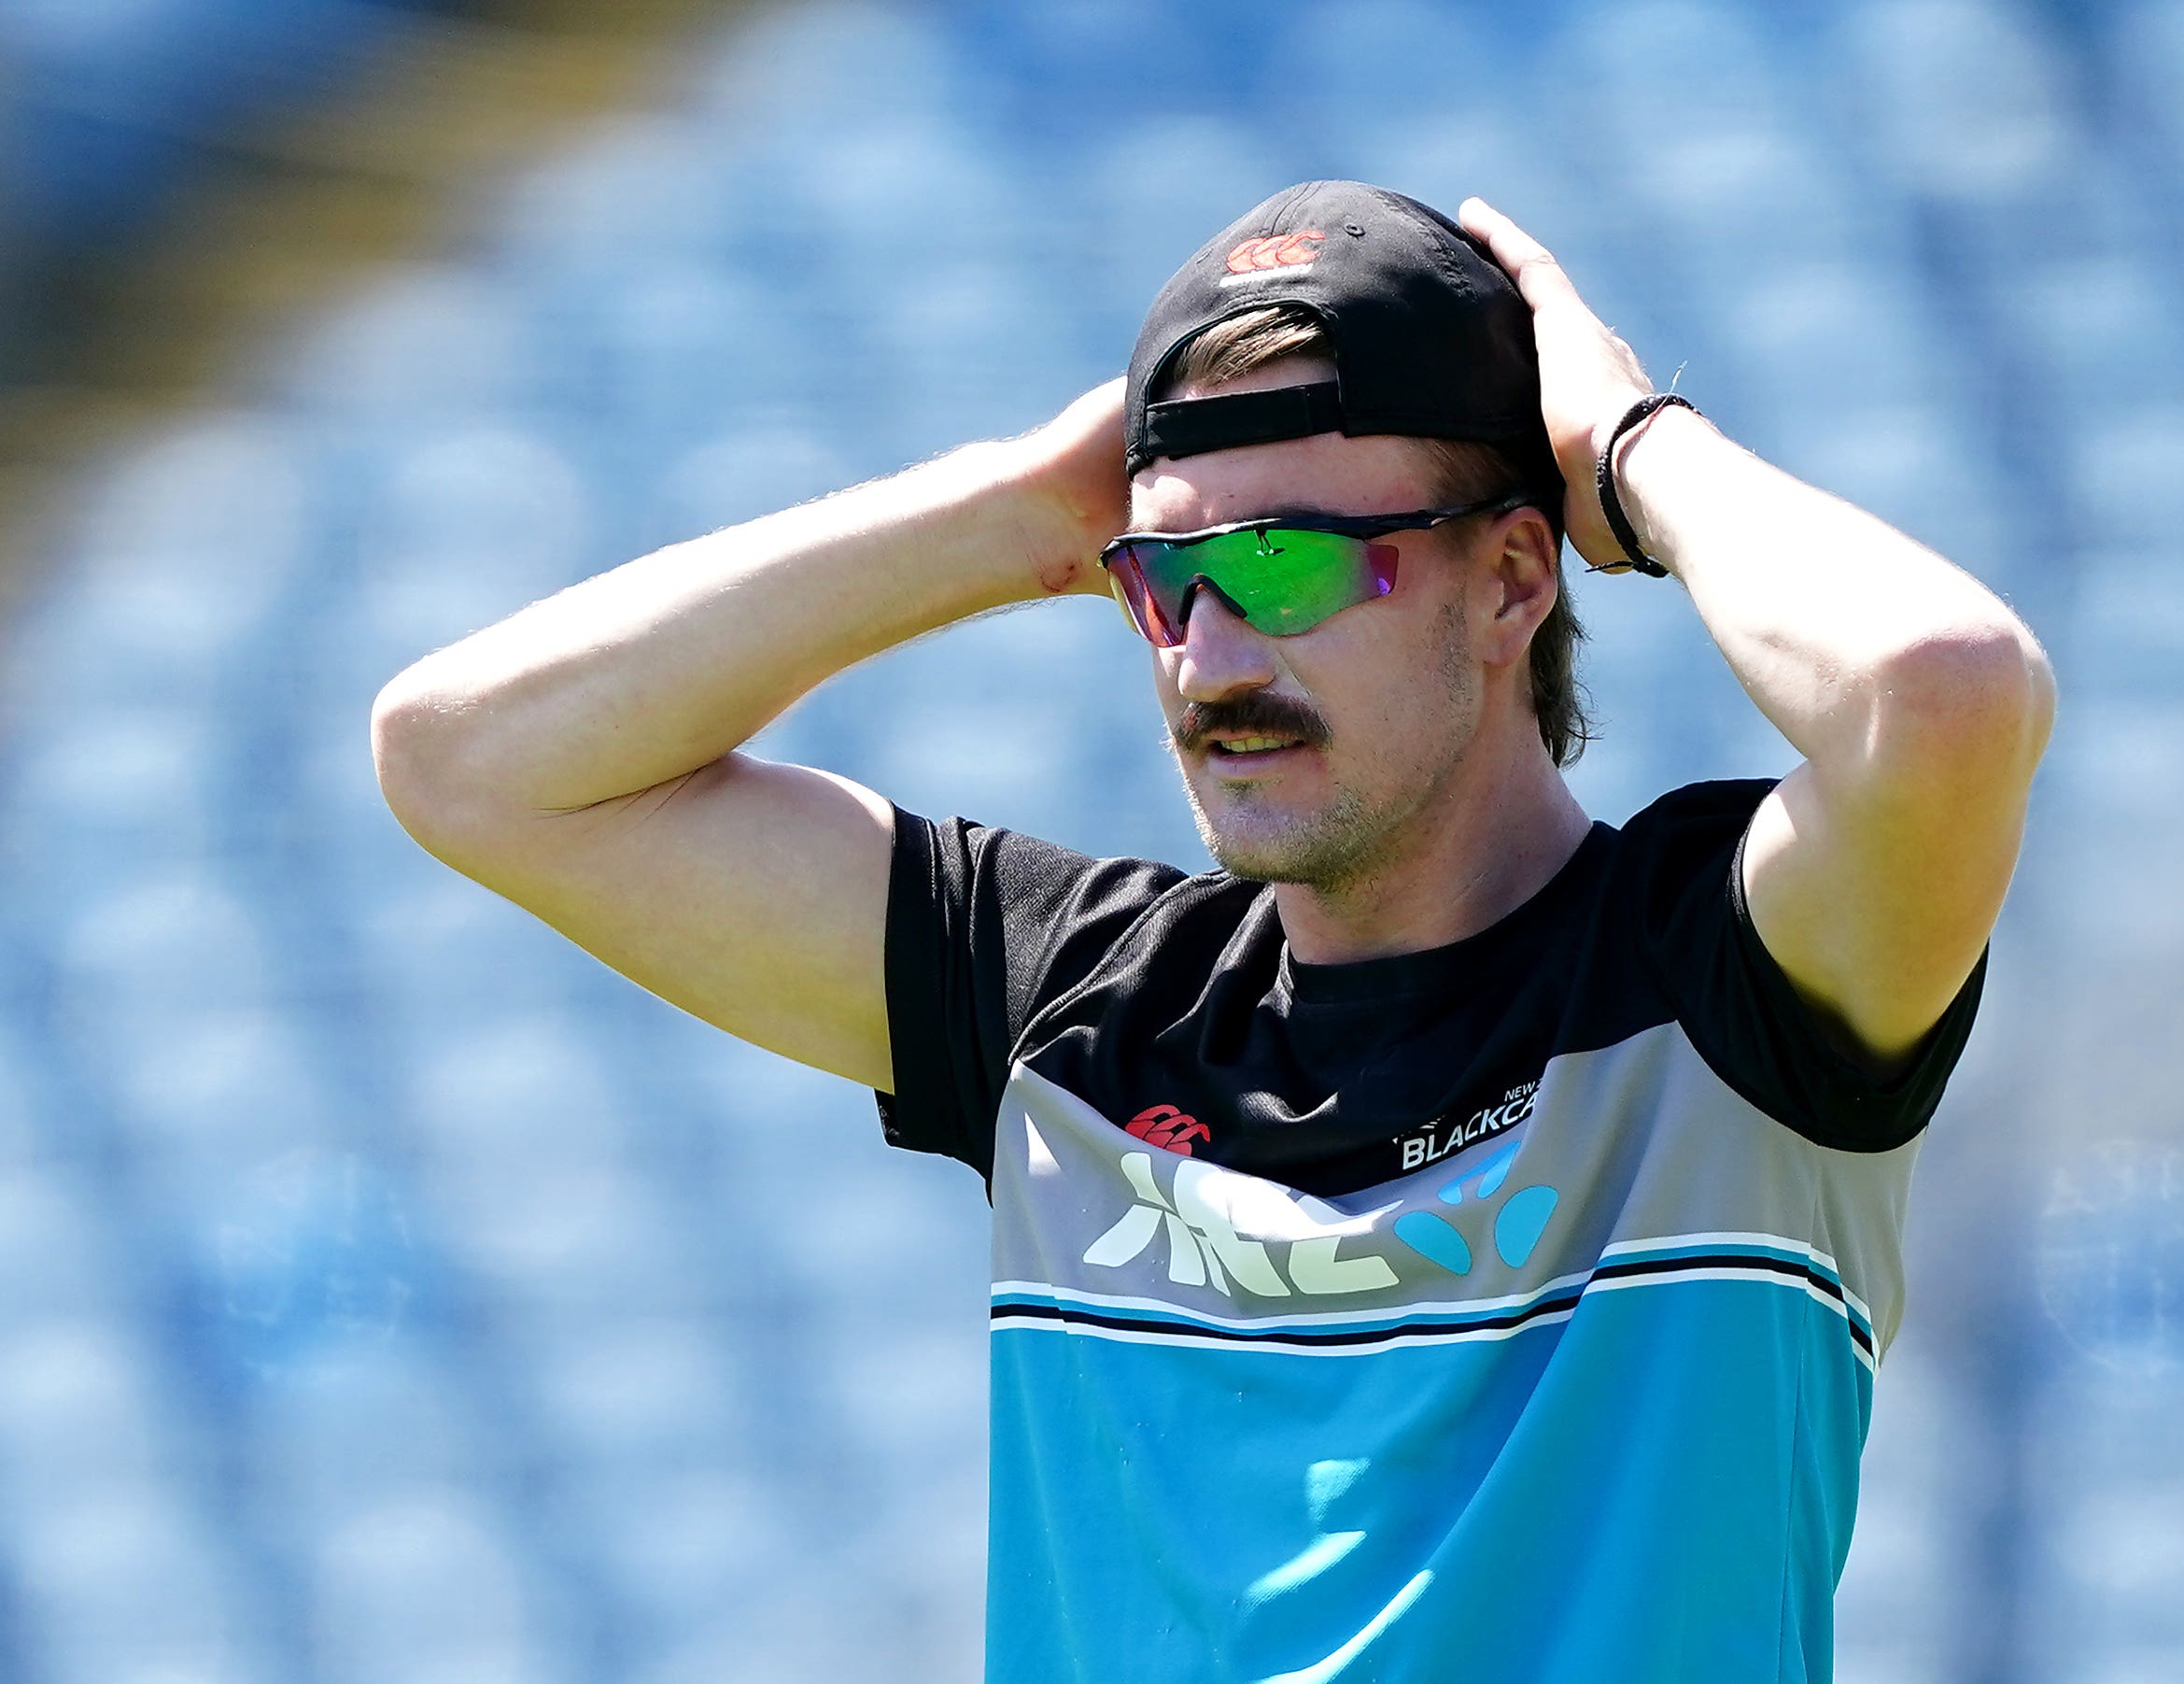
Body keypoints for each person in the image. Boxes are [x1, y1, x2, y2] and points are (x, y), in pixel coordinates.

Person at [373, 180, 2054, 1682]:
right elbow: (470, 761)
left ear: (1514, 581)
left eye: (1288, 568)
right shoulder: (1076, 1010)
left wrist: (1628, 449)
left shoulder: (1720, 989)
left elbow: (1944, 691)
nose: (1210, 658)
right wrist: (1002, 514)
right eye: (1164, 581)